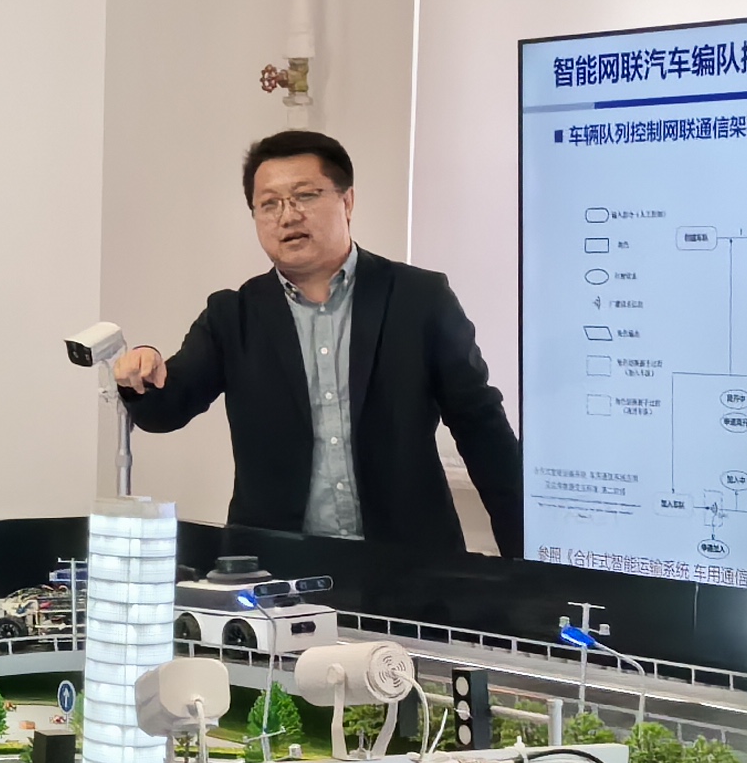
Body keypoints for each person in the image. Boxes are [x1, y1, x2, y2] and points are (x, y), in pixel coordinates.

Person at [113, 128, 523, 559]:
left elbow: (481, 426)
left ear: (347, 201)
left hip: (410, 563)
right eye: (269, 204)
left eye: (304, 196)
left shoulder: (419, 299)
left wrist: (528, 557)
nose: (287, 216)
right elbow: (166, 409)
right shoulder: (232, 315)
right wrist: (142, 370)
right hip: (276, 569)